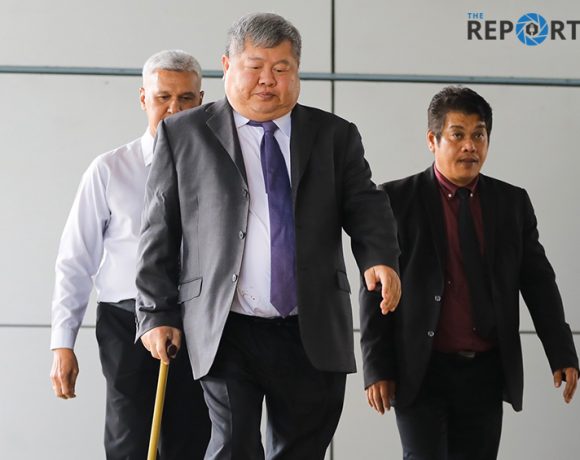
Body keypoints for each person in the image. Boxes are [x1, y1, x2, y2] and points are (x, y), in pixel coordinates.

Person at [135, 12, 401, 460]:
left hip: (310, 326)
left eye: (281, 68)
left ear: (297, 72)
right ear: (227, 65)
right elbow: (159, 230)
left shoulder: (334, 136)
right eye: (255, 66)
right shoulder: (184, 135)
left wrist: (379, 257)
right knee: (233, 445)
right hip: (225, 324)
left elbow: (366, 204)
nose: (267, 80)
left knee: (302, 448)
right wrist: (155, 313)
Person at [360, 86, 579, 460]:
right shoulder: (395, 200)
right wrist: (376, 367)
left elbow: (539, 282)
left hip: (485, 371)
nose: (470, 146)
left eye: (479, 135)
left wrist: (561, 352)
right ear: (433, 140)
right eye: (457, 135)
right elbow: (375, 289)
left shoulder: (511, 203)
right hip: (421, 368)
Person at [50, 49, 211, 460]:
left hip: (199, 321)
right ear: (143, 98)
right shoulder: (109, 169)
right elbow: (75, 259)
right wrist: (62, 343)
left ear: (201, 100)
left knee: (193, 441)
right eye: (163, 97)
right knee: (128, 441)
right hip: (125, 321)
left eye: (186, 98)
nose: (174, 108)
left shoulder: (217, 171)